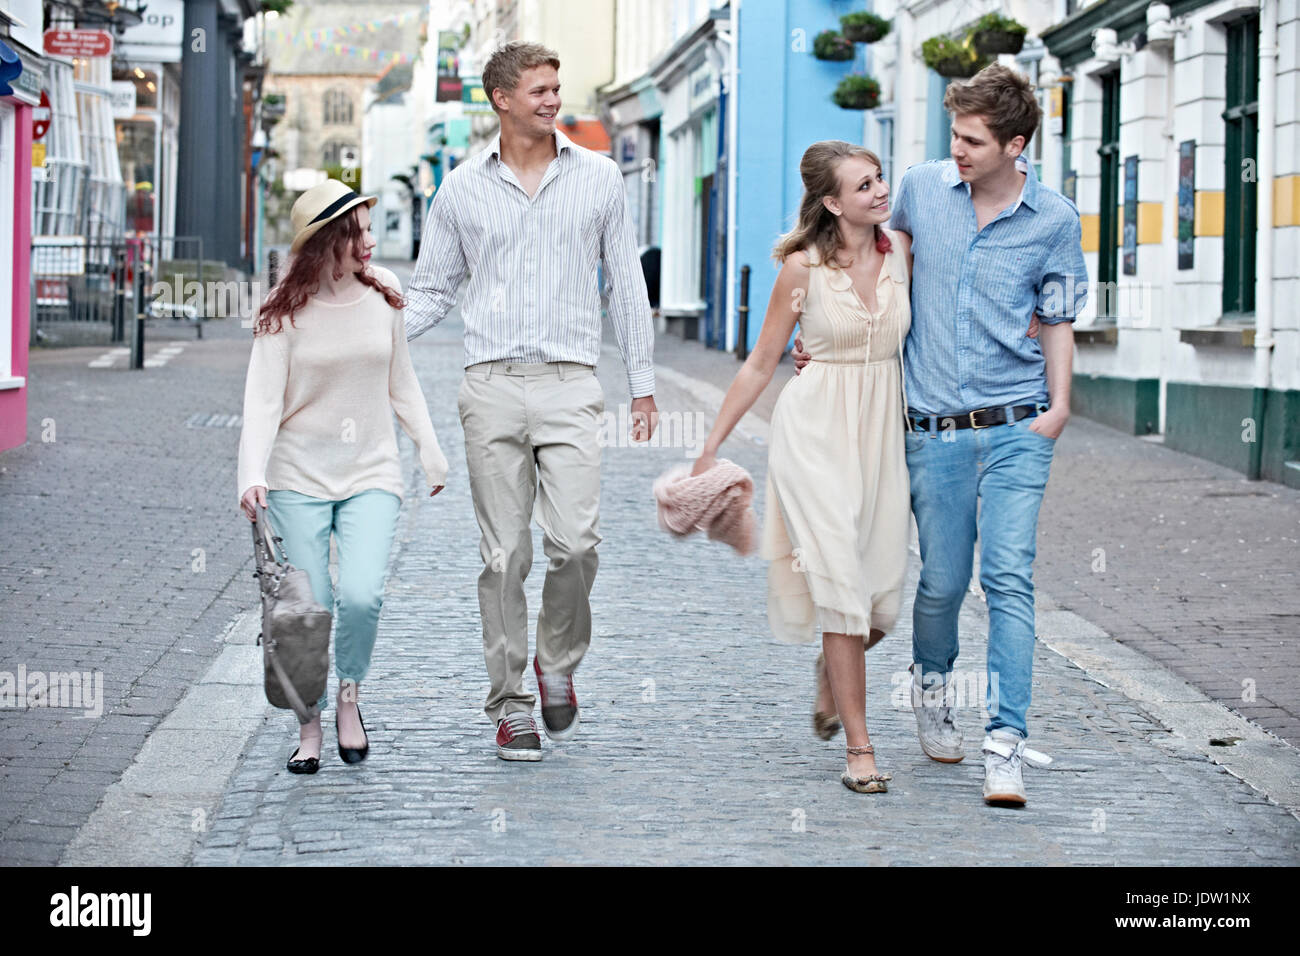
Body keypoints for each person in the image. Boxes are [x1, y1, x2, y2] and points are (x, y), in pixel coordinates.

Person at [793, 64, 1087, 805]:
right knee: (944, 583)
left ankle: (1006, 743)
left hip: (1020, 422)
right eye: (954, 134)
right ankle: (932, 688)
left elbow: (1056, 319)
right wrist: (824, 337)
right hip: (934, 429)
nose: (955, 148)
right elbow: (867, 262)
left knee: (1009, 578)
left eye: (972, 139)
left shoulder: (1054, 219)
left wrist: (1058, 407)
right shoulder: (922, 189)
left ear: (1015, 145)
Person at [404, 42, 659, 761]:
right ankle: (512, 704)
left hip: (572, 382)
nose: (552, 99)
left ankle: (556, 659)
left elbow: (627, 286)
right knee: (503, 556)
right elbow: (430, 290)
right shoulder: (459, 190)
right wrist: (367, 335)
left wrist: (641, 384)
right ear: (502, 100)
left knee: (576, 544)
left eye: (556, 87)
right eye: (539, 89)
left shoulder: (601, 179)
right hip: (489, 385)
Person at [692, 140, 911, 794]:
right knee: (840, 587)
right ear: (831, 202)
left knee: (881, 602)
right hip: (813, 432)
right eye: (863, 185)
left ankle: (829, 672)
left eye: (879, 179)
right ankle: (861, 748)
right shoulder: (800, 270)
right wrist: (712, 444)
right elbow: (762, 363)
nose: (878, 191)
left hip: (882, 433)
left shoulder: (902, 251)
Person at [236, 180, 449, 774]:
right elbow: (261, 401)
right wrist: (251, 472)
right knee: (312, 609)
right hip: (298, 475)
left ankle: (349, 697)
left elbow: (401, 382)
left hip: (371, 471)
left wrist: (430, 452)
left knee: (361, 595)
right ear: (328, 242)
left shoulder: (386, 294)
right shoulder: (283, 311)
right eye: (358, 231)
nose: (370, 241)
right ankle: (310, 723)